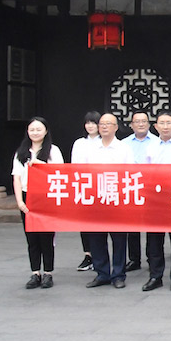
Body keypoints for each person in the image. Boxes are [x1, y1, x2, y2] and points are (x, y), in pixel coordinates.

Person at [142, 111, 171, 292]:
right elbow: (145, 173)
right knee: (154, 241)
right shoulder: (150, 146)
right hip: (155, 199)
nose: (165, 126)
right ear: (155, 126)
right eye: (161, 123)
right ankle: (155, 276)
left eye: (168, 123)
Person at [13, 117, 64, 289]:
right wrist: (20, 201)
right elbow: (17, 178)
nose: (35, 133)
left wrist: (39, 164)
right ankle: (35, 272)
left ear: (46, 131)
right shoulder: (21, 152)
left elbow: (60, 172)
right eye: (32, 129)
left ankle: (48, 272)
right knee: (31, 238)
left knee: (47, 237)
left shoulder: (53, 151)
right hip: (27, 196)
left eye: (38, 129)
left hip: (46, 197)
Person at [85, 113, 134, 288]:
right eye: (102, 124)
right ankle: (102, 273)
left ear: (116, 127)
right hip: (96, 199)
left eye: (109, 124)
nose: (104, 126)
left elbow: (130, 174)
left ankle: (118, 274)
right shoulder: (90, 148)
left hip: (116, 199)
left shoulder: (124, 148)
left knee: (119, 239)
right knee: (96, 238)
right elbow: (82, 172)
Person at [122, 111, 155, 273]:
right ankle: (134, 259)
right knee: (132, 225)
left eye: (144, 121)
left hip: (151, 188)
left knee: (152, 226)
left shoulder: (156, 142)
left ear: (149, 124)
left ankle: (152, 258)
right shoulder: (124, 144)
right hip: (131, 187)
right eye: (137, 121)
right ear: (131, 125)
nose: (141, 124)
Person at [70, 110, 100, 272]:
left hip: (101, 186)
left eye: (93, 123)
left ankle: (99, 256)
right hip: (83, 186)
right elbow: (75, 165)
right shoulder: (79, 143)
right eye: (88, 123)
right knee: (84, 222)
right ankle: (88, 255)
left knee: (99, 223)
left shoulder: (104, 142)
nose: (90, 126)